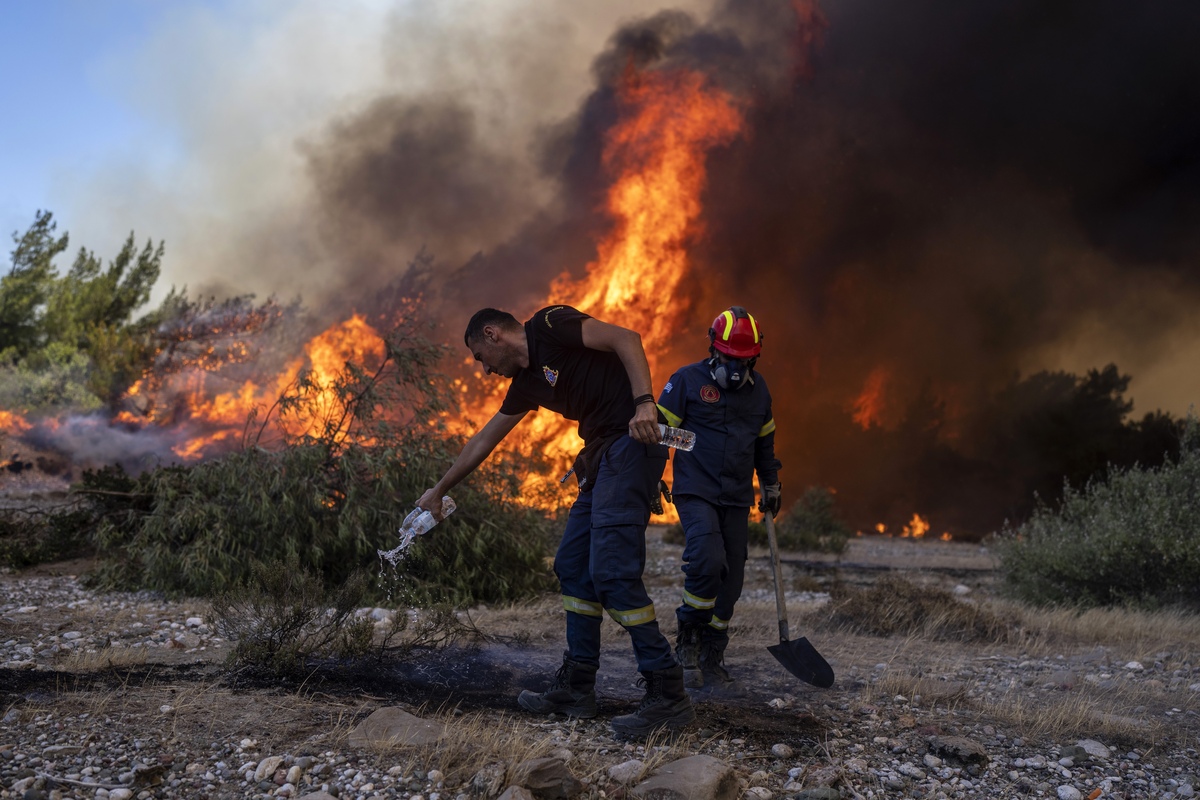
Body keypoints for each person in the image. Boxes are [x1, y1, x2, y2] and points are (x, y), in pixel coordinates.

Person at [415, 305, 695, 737]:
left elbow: (627, 338)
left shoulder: (550, 325)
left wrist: (644, 404)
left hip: (632, 443)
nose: (484, 370)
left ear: (492, 334)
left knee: (613, 574)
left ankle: (668, 695)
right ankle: (577, 689)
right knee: (573, 565)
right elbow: (484, 439)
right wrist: (439, 490)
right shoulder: (525, 383)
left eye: (479, 358)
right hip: (600, 455)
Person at [656, 306, 782, 691]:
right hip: (695, 491)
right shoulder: (686, 381)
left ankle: (713, 653)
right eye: (729, 359)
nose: (735, 368)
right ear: (714, 350)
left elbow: (765, 444)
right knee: (709, 561)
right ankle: (689, 640)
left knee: (733, 579)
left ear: (755, 358)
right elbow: (659, 431)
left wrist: (771, 483)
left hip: (737, 496)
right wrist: (655, 473)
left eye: (744, 361)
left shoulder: (759, 391)